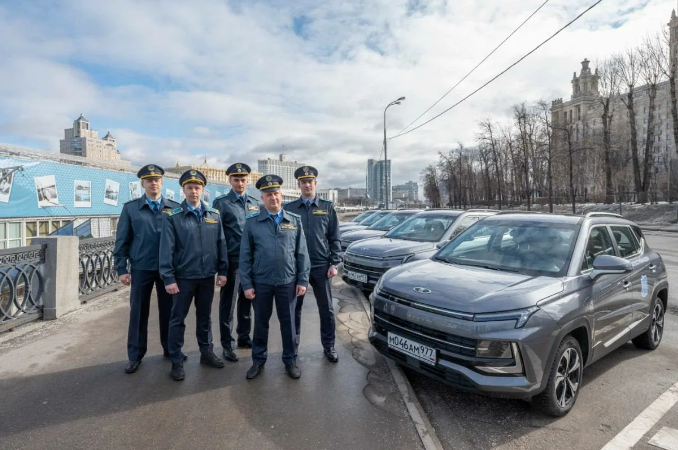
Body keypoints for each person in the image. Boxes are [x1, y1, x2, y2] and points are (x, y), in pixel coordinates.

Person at [159, 169, 229, 381]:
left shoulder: (213, 215)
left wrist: (223, 271)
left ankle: (206, 352)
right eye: (189, 187)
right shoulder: (173, 217)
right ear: (183, 190)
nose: (194, 191)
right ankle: (176, 360)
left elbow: (221, 244)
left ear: (203, 190)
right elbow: (166, 248)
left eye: (197, 187)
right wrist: (168, 278)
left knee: (204, 318)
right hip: (183, 278)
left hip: (207, 276)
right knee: (177, 319)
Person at [239, 174, 310, 380]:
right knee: (261, 323)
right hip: (261, 282)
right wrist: (247, 284)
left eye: (276, 193)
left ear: (282, 195)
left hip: (287, 282)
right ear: (262, 198)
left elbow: (302, 253)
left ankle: (290, 360)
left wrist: (302, 280)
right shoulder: (252, 223)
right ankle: (258, 361)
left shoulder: (294, 221)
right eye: (268, 195)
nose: (273, 198)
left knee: (288, 324)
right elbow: (245, 256)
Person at [113, 164, 181, 374]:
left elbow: (181, 240)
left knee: (170, 312)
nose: (153, 183)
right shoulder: (131, 208)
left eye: (157, 179)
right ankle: (135, 355)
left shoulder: (174, 208)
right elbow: (122, 240)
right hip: (142, 267)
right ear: (142, 183)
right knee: (138, 312)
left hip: (167, 270)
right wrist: (121, 268)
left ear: (162, 182)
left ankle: (171, 350)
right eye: (149, 180)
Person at [283, 166, 341, 362]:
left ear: (315, 183)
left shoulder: (327, 207)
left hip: (321, 267)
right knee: (294, 309)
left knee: (326, 308)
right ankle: (293, 346)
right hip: (297, 268)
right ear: (298, 185)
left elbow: (335, 238)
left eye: (310, 181)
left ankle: (329, 346)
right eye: (303, 182)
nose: (307, 185)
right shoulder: (289, 209)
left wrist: (334, 262)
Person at [212, 163, 260, 362]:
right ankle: (227, 344)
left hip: (251, 262)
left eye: (243, 179)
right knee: (228, 305)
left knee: (246, 301)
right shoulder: (221, 203)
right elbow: (217, 236)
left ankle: (243, 336)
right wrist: (221, 267)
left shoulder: (255, 202)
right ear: (229, 181)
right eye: (236, 179)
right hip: (232, 261)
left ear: (248, 181)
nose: (240, 183)